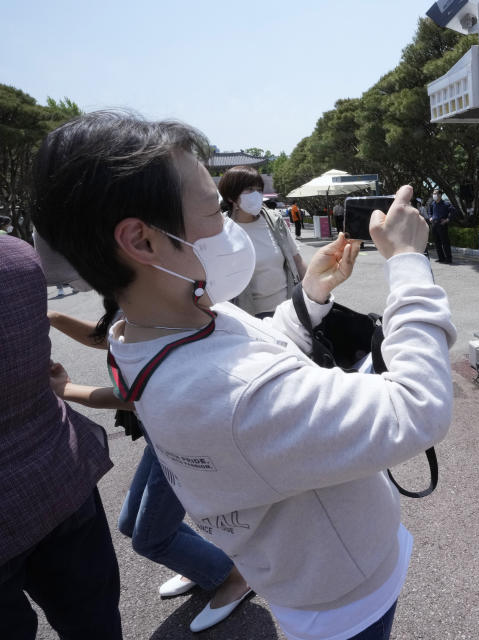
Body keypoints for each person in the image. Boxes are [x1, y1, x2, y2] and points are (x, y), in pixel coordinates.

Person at [33, 111, 455, 640]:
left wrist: (311, 298)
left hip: (315, 570)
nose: (230, 226)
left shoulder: (156, 327)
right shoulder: (231, 395)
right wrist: (410, 265)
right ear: (142, 241)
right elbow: (417, 408)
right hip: (347, 593)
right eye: (214, 209)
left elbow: (256, 348)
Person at [47, 309, 251, 633]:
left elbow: (134, 397)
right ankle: (201, 562)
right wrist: (55, 316)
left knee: (150, 540)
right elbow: (110, 336)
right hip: (160, 439)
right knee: (130, 524)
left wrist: (66, 390)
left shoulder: (150, 295)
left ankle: (233, 578)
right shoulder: (131, 290)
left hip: (181, 443)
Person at [0, 235, 122, 640]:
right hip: (61, 473)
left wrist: (69, 389)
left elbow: (138, 385)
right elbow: (115, 340)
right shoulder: (17, 256)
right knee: (95, 621)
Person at [218, 165, 307, 318]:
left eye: (259, 189)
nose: (256, 195)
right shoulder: (221, 230)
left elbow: (297, 260)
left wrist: (312, 293)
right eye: (249, 189)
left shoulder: (274, 221)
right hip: (248, 316)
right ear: (231, 197)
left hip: (287, 310)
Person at [428, 188, 453, 264]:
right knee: (437, 242)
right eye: (433, 193)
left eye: (435, 193)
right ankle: (441, 258)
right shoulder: (432, 204)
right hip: (434, 224)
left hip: (442, 225)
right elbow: (430, 212)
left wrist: (447, 219)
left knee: (445, 242)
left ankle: (448, 259)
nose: (434, 195)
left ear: (440, 195)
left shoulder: (446, 204)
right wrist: (430, 217)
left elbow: (453, 211)